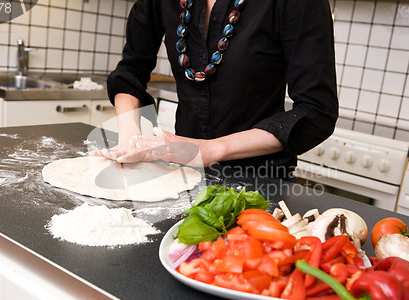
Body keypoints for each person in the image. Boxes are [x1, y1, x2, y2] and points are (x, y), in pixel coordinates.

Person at [92, 0, 338, 180]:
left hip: (260, 182)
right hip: (181, 172)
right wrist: (130, 137)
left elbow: (316, 111)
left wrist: (208, 150)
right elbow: (131, 70)